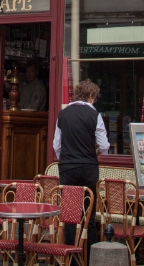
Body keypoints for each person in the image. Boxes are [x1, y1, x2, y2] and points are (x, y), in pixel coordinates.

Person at [53, 79, 110, 263]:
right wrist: (95, 152)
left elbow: (56, 146)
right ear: (91, 96)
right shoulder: (94, 115)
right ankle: (89, 257)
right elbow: (105, 146)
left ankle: (72, 259)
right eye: (95, 97)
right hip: (88, 169)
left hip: (68, 168)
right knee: (89, 215)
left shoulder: (63, 114)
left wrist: (67, 158)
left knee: (70, 214)